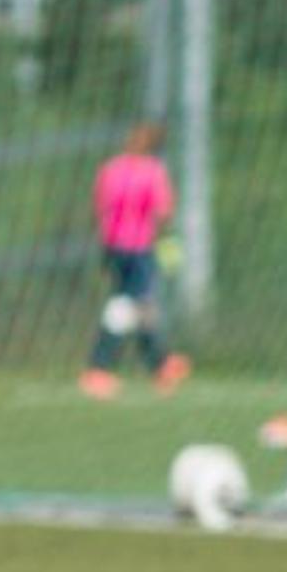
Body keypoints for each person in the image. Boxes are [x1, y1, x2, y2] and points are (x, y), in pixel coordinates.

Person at [82, 121, 190, 399]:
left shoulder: (111, 169)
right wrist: (167, 242)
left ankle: (160, 362)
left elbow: (98, 206)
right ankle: (99, 367)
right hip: (140, 246)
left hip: (113, 246)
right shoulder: (152, 172)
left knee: (141, 304)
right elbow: (164, 211)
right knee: (127, 304)